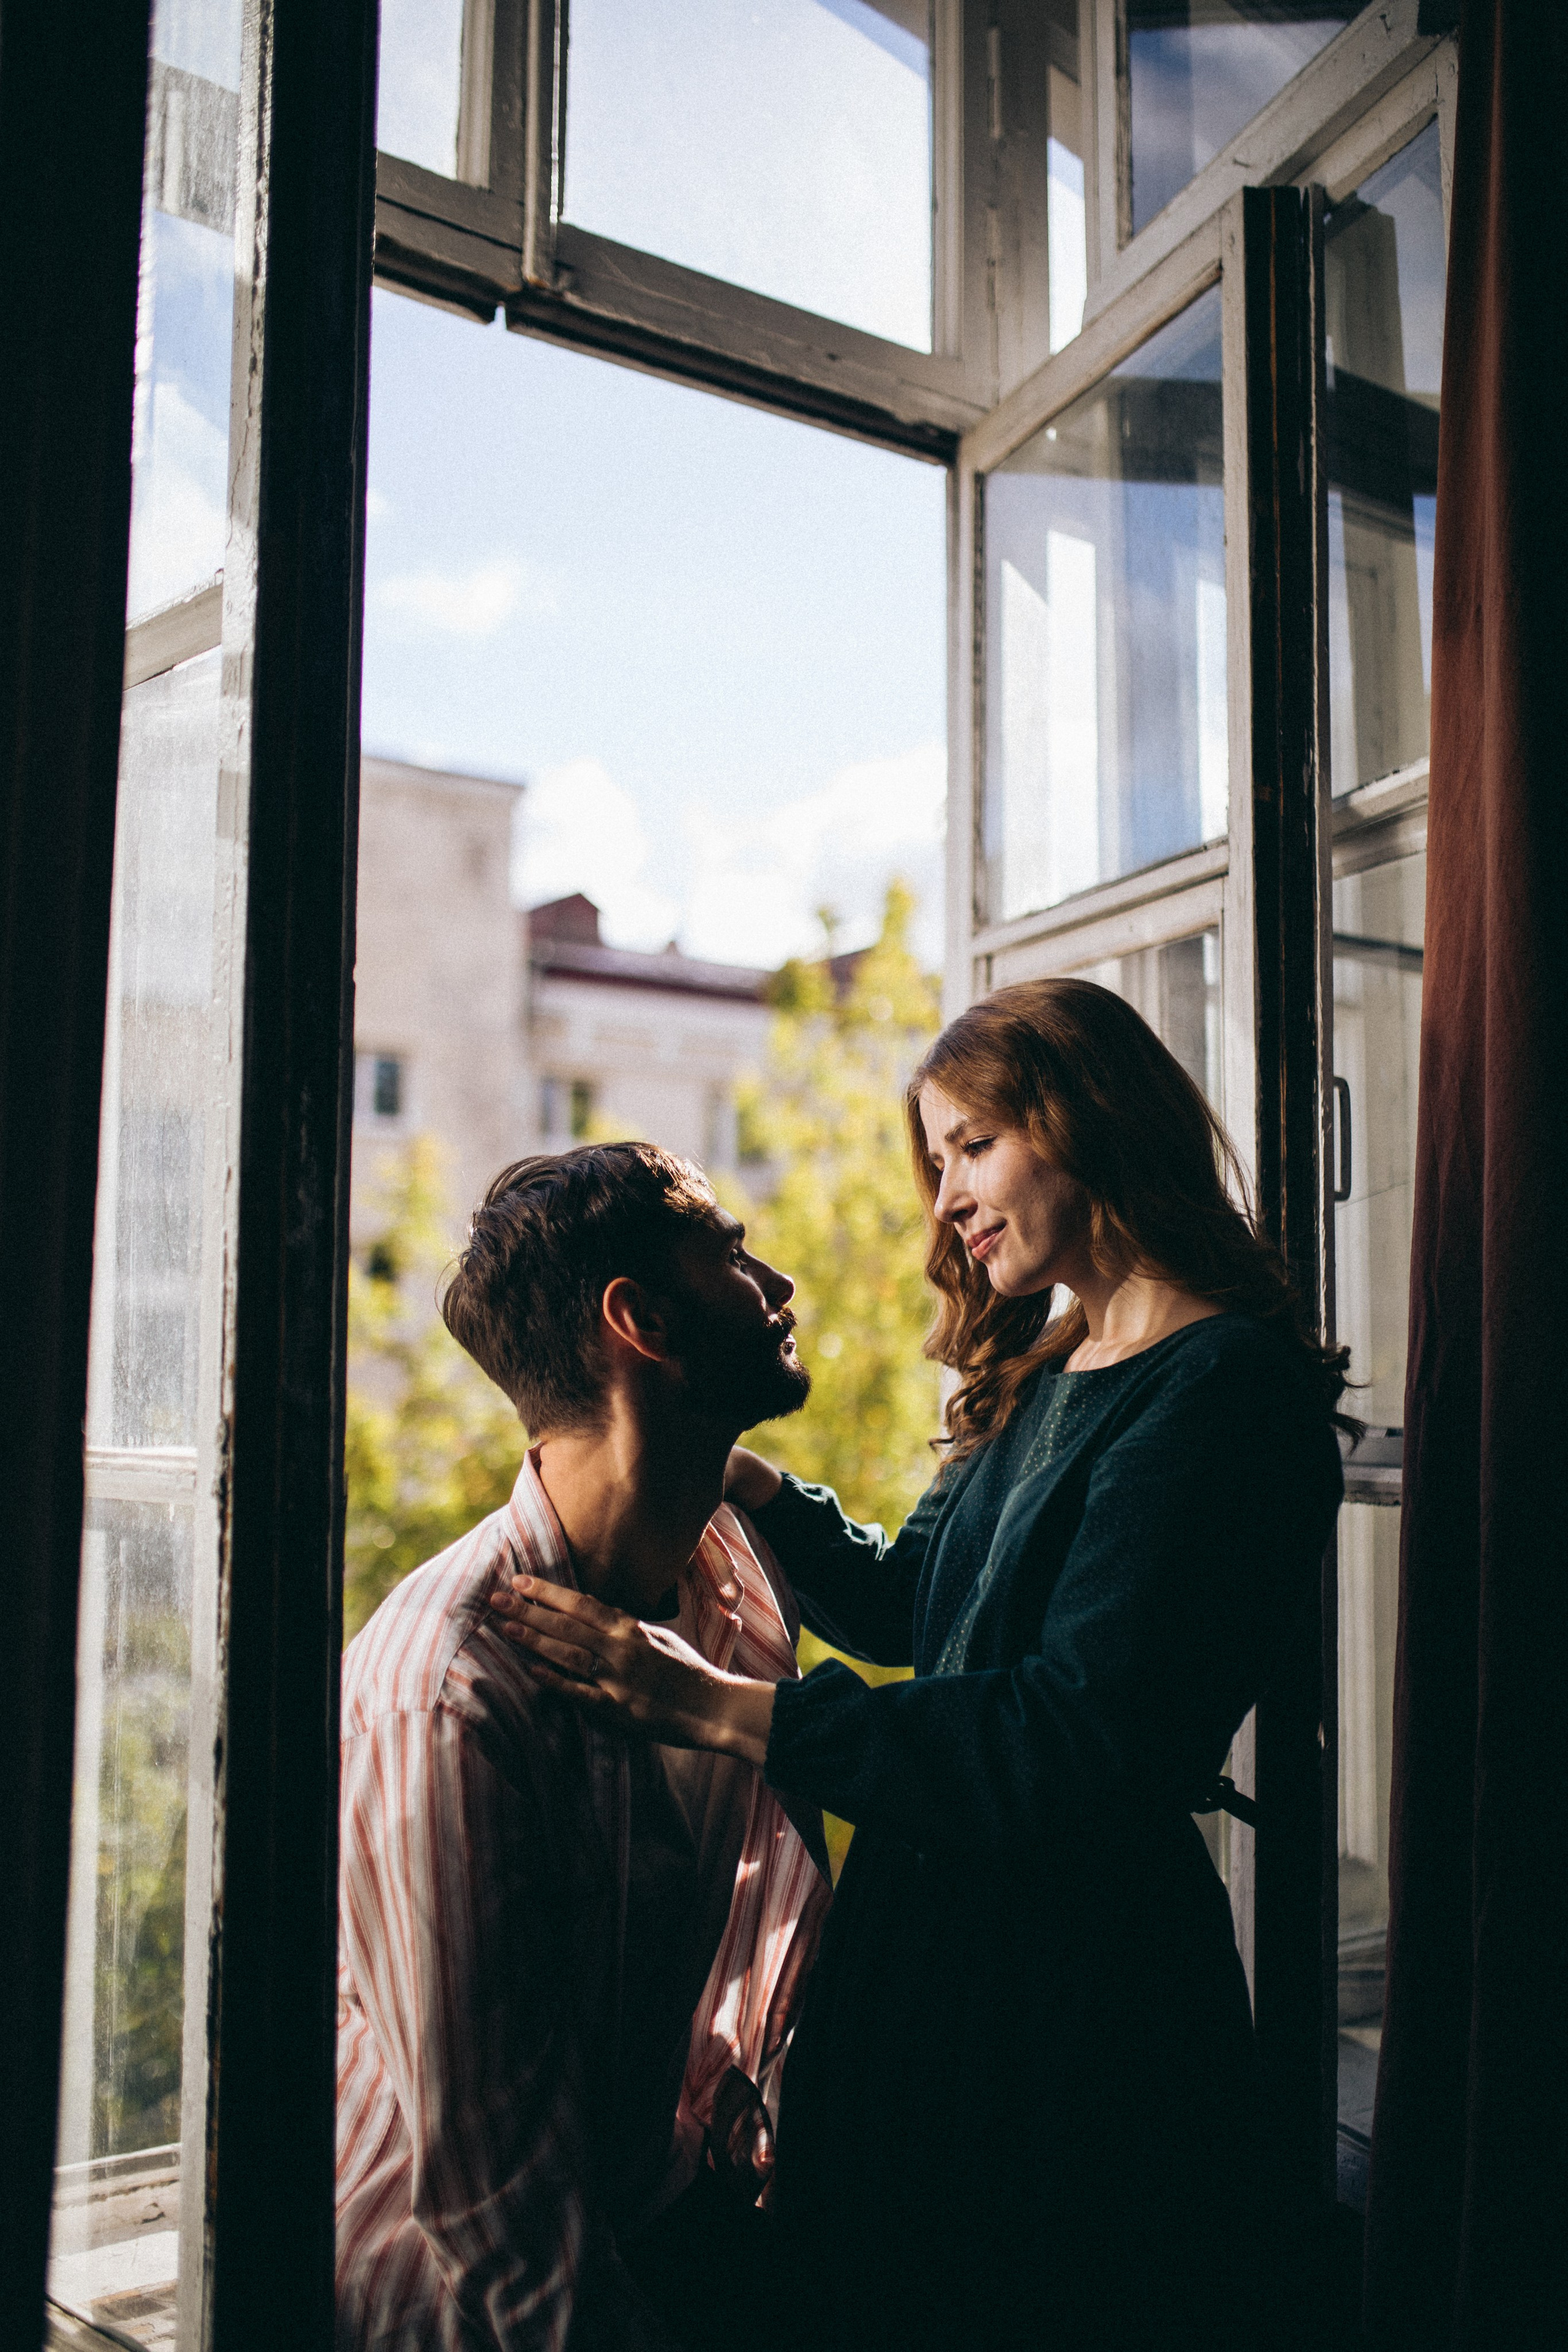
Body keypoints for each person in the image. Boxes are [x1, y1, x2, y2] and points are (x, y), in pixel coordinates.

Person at [489, 978, 1347, 2351]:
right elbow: (915, 1607)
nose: (944, 1197)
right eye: (934, 1160)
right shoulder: (1049, 1366)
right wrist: (742, 1479)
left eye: (972, 1145)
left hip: (1074, 1997)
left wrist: (707, 1708)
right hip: (932, 1947)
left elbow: (1071, 1734)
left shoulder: (1223, 1392)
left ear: (1089, 1121)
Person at [334, 1143, 831, 2352]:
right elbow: (498, 2218)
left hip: (663, 2207)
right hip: (442, 2304)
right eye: (730, 1254)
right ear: (641, 1320)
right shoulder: (450, 1693)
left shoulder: (731, 1585)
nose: (777, 1286)